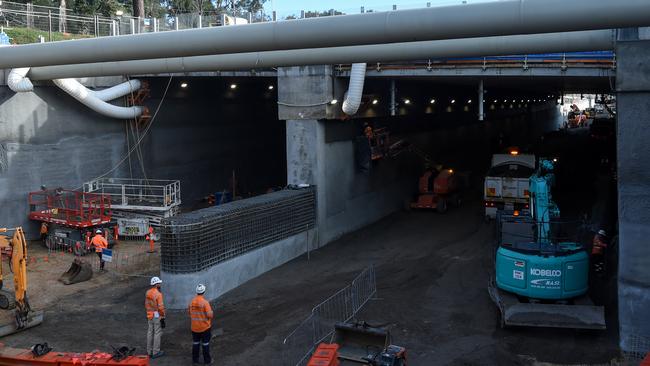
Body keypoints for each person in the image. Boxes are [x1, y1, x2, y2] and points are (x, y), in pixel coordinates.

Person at [189, 284, 213, 365]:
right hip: (205, 328)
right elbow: (210, 315)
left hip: (194, 328)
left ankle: (195, 361)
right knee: (205, 344)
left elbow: (189, 312)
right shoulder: (205, 303)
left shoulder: (191, 302)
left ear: (197, 292)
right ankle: (207, 361)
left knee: (195, 344)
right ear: (204, 292)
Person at [146, 277, 166, 359]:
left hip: (149, 315)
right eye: (159, 283)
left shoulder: (147, 292)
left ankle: (149, 351)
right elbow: (161, 308)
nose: (160, 284)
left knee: (150, 332)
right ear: (156, 284)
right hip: (157, 315)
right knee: (157, 333)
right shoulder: (158, 294)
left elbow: (146, 304)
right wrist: (163, 316)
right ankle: (156, 352)